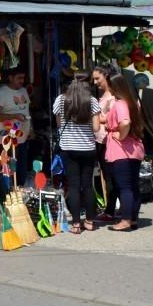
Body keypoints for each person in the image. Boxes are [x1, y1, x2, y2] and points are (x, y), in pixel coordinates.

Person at [52, 73, 102, 233]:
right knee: (87, 185)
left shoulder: (60, 100)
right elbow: (95, 128)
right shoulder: (92, 101)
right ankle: (89, 222)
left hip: (68, 149)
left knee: (73, 185)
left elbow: (59, 125)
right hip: (87, 148)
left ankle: (75, 224)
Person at [104, 73, 145, 232]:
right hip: (134, 150)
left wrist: (121, 135)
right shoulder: (132, 103)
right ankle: (133, 218)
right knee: (133, 186)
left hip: (121, 151)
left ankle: (126, 220)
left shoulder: (120, 104)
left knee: (124, 187)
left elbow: (125, 122)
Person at [0, 69, 33, 182]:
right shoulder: (0, 93)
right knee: (9, 169)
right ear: (10, 78)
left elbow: (27, 112)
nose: (22, 81)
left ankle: (20, 193)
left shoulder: (24, 91)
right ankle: (9, 194)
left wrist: (31, 129)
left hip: (23, 138)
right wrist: (15, 116)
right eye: (19, 78)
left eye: (23, 78)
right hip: (7, 140)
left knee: (21, 170)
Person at [91, 66, 117, 222]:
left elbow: (113, 118)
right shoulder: (104, 95)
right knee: (108, 176)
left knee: (110, 177)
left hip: (108, 141)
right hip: (100, 140)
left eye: (97, 79)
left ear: (106, 76)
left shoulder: (113, 96)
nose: (95, 82)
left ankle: (111, 210)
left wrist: (94, 117)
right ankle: (111, 209)